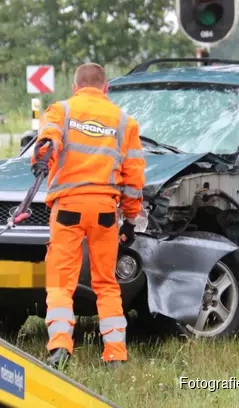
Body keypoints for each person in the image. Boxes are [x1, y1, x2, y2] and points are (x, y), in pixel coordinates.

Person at [30, 63, 145, 369]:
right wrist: (131, 220)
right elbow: (133, 177)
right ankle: (116, 352)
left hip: (67, 207)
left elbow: (48, 137)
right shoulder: (124, 122)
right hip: (106, 211)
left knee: (60, 282)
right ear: (106, 88)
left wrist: (44, 153)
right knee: (106, 282)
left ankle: (60, 347)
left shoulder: (61, 111)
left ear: (75, 87)